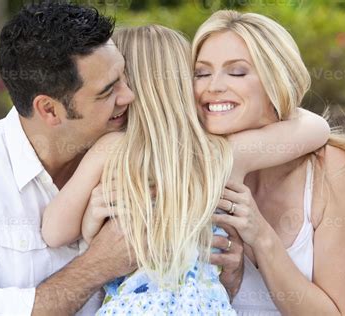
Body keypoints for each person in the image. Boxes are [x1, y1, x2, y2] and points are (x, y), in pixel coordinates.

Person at [40, 25, 330, 314]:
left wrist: (90, 220)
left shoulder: (110, 149)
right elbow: (317, 128)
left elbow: (53, 232)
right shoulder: (222, 153)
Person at [0, 3, 138, 315]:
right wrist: (97, 265)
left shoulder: (133, 158)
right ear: (49, 110)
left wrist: (230, 273)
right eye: (108, 91)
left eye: (124, 77)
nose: (129, 96)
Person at [192, 10, 345, 315]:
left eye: (237, 72)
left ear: (276, 80)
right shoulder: (186, 161)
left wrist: (260, 236)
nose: (213, 87)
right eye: (202, 73)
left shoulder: (333, 169)